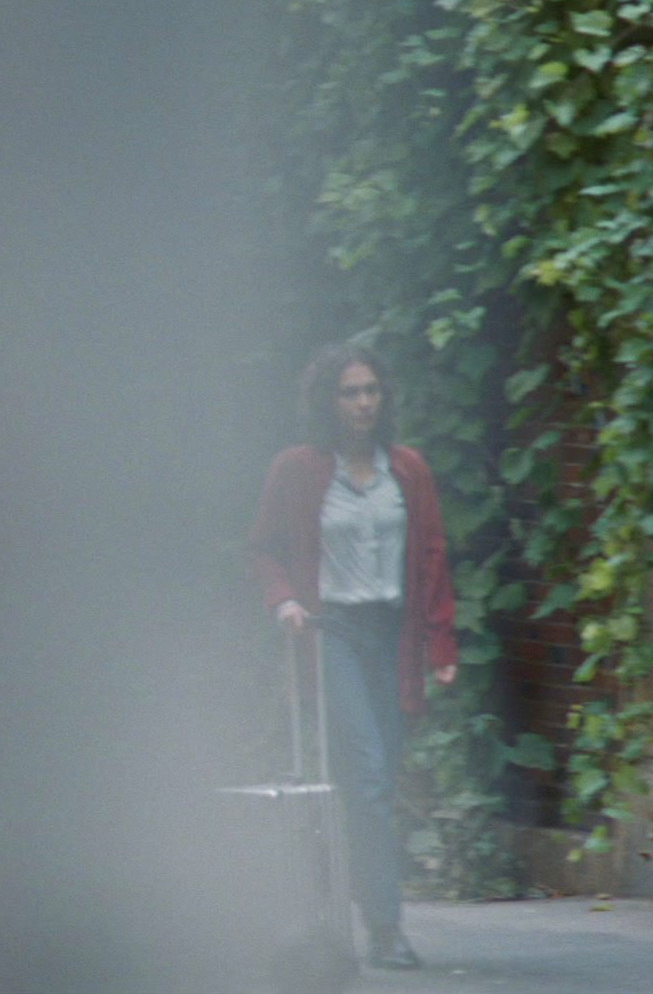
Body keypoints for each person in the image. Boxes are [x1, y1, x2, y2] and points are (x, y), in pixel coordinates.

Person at [247, 341, 459, 971]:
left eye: (371, 391)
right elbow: (263, 549)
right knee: (365, 774)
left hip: (392, 637)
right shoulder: (298, 470)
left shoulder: (410, 470)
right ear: (328, 402)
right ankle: (386, 928)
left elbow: (432, 559)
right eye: (350, 392)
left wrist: (442, 642)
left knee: (377, 781)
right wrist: (284, 602)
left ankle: (343, 904)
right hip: (332, 633)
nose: (364, 403)